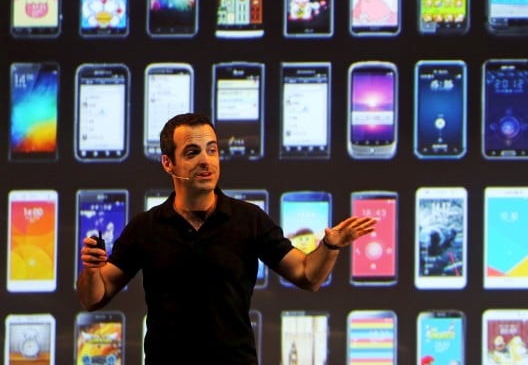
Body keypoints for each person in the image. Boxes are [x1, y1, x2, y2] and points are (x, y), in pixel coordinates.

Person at [77, 112, 375, 365]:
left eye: (212, 150)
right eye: (193, 153)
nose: (206, 161)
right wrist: (91, 271)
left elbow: (307, 275)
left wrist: (331, 245)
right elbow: (95, 297)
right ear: (168, 163)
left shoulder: (249, 219)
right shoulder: (147, 226)